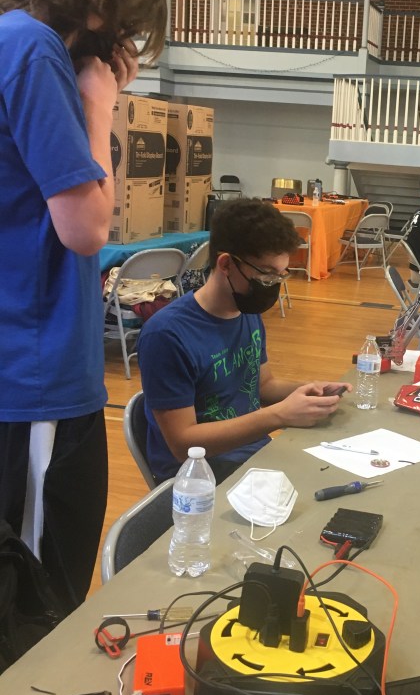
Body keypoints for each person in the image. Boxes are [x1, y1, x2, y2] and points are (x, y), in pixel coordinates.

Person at [0, 0, 167, 611]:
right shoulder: (34, 47)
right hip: (33, 373)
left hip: (35, 366)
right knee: (38, 598)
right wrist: (102, 106)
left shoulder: (15, 40)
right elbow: (87, 229)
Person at [138, 199, 351, 484]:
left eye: (280, 275)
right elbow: (182, 444)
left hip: (250, 455)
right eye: (266, 274)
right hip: (198, 478)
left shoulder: (245, 311)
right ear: (226, 264)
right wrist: (279, 416)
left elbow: (262, 386)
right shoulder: (167, 335)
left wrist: (310, 392)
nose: (272, 285)